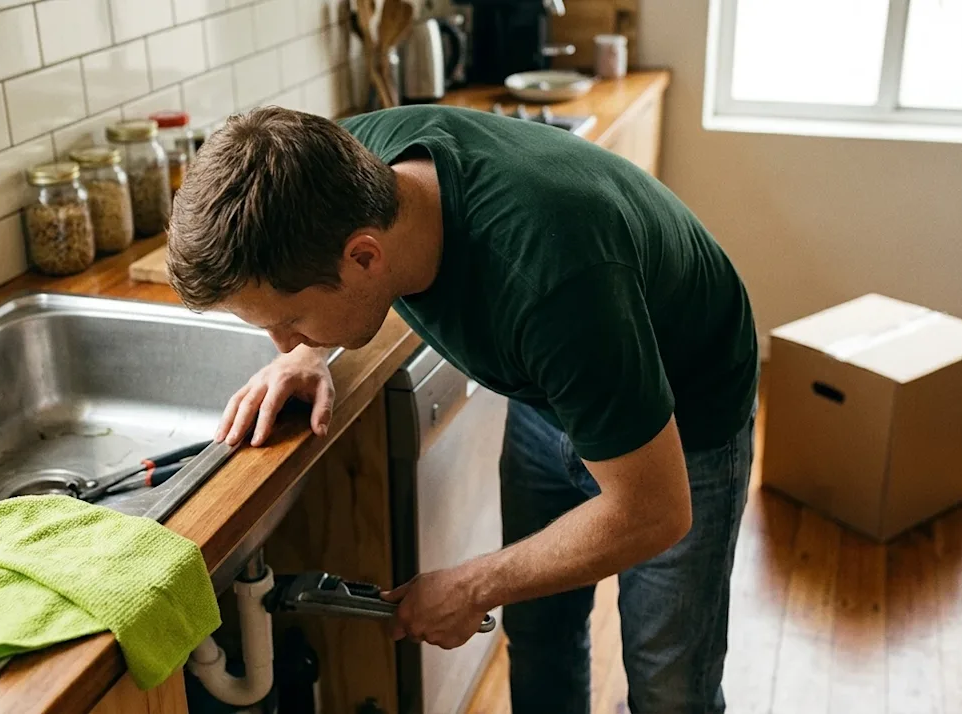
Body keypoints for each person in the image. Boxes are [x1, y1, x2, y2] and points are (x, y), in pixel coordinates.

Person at [165, 104, 759, 714]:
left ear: (364, 257)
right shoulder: (349, 172)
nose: (283, 344)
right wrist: (311, 353)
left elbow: (654, 511)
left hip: (687, 413)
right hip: (560, 390)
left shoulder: (553, 283)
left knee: (669, 685)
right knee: (538, 634)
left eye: (290, 322)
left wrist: (474, 584)